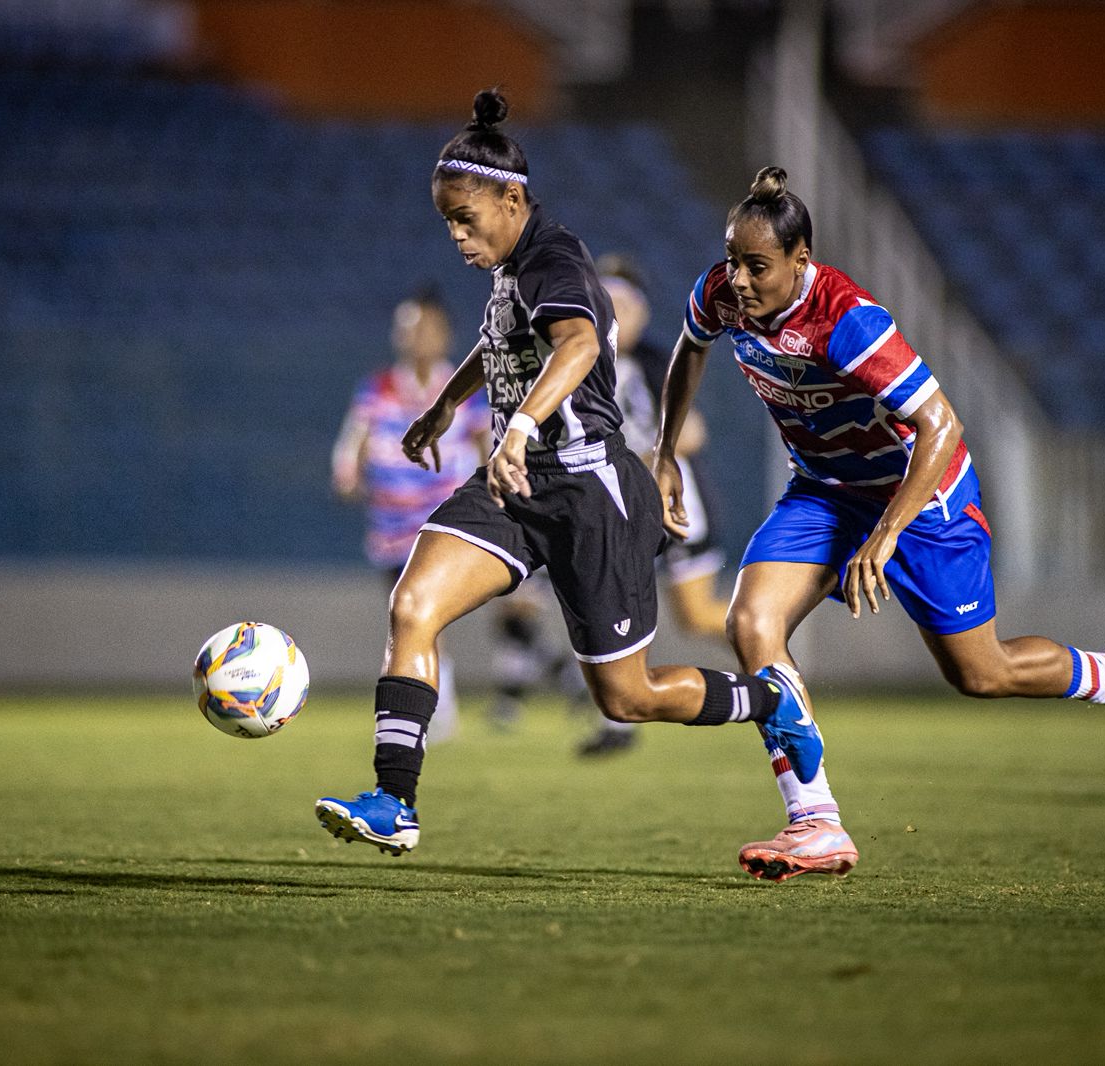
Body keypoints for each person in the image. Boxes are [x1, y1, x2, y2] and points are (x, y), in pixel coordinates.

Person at [313, 92, 825, 868]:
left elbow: (579, 346)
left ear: (511, 199)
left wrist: (517, 425)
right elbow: (500, 347)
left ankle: (770, 701)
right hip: (517, 488)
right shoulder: (512, 264)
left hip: (592, 492)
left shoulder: (555, 258)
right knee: (413, 605)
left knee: (630, 698)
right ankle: (394, 803)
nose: (455, 235)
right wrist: (445, 408)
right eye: (446, 220)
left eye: (464, 218)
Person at [652, 167, 1105, 879]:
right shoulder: (723, 295)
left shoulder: (846, 319)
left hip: (921, 495)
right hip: (826, 490)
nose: (738, 279)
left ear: (801, 260)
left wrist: (887, 533)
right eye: (733, 260)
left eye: (757, 266)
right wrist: (664, 454)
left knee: (981, 673)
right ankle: (815, 821)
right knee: (751, 624)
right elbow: (688, 349)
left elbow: (938, 422)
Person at [574, 256, 732, 757]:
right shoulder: (576, 358)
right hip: (617, 507)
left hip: (671, 500)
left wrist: (646, 456)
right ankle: (618, 721)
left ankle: (769, 659)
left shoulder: (653, 361)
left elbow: (696, 432)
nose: (612, 311)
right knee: (608, 606)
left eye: (622, 301)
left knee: (698, 615)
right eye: (606, 300)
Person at [331, 288, 487, 744]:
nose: (414, 336)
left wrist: (489, 492)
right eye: (407, 327)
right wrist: (347, 474)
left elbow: (483, 445)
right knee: (407, 618)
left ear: (444, 334)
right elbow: (354, 438)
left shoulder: (461, 385)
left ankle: (434, 711)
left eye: (424, 327)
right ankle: (432, 709)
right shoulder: (378, 385)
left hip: (441, 521)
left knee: (422, 613)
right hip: (391, 525)